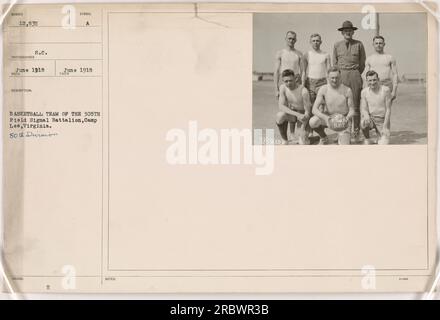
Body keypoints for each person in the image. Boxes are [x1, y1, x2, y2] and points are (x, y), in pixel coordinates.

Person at [332, 21, 366, 142]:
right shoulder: (337, 45)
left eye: (350, 31)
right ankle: (342, 131)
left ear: (353, 32)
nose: (348, 33)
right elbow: (334, 63)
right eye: (345, 31)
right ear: (342, 33)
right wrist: (340, 75)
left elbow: (362, 63)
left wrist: (355, 73)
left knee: (355, 104)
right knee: (342, 105)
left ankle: (356, 132)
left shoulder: (359, 44)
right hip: (342, 75)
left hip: (355, 75)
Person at [309, 67, 355, 145]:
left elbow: (352, 110)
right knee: (313, 122)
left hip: (342, 120)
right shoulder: (323, 89)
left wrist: (346, 118)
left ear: (340, 77)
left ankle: (342, 135)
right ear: (328, 77)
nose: (334, 80)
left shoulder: (347, 90)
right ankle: (323, 137)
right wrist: (326, 118)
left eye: (337, 78)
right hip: (329, 117)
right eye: (332, 78)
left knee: (344, 146)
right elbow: (314, 109)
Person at [274, 31, 304, 140]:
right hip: (285, 82)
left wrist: (303, 85)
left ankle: (294, 133)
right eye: (289, 38)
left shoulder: (299, 54)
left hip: (296, 82)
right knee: (285, 109)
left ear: (296, 40)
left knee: (297, 108)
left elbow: (303, 71)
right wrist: (276, 88)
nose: (291, 40)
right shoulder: (280, 53)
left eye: (293, 39)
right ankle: (286, 136)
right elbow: (276, 71)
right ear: (285, 39)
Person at [276, 69, 312, 145]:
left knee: (303, 143)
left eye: (290, 80)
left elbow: (307, 112)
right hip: (295, 114)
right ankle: (284, 140)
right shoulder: (283, 88)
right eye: (286, 81)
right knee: (280, 116)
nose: (288, 83)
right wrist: (296, 114)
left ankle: (307, 136)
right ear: (283, 81)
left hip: (304, 117)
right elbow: (281, 106)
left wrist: (302, 128)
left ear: (295, 78)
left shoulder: (303, 91)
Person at [360, 70, 392, 144]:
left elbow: (388, 110)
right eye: (370, 80)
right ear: (367, 81)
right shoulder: (364, 92)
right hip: (371, 118)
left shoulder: (385, 90)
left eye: (374, 80)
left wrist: (385, 126)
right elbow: (364, 108)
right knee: (363, 123)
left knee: (383, 144)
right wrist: (366, 116)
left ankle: (380, 136)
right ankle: (367, 139)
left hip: (382, 120)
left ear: (378, 79)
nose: (372, 82)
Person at [365, 35, 398, 101]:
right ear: (373, 45)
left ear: (384, 44)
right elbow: (366, 76)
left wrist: (394, 91)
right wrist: (366, 90)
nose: (378, 45)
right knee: (374, 109)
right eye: (376, 43)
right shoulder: (369, 59)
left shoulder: (389, 57)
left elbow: (395, 75)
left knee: (387, 109)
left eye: (380, 43)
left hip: (387, 85)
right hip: (373, 85)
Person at [303, 33, 331, 104]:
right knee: (310, 104)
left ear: (321, 42)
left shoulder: (326, 54)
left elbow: (329, 71)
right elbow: (303, 71)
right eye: (313, 41)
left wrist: (329, 85)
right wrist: (302, 85)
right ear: (310, 42)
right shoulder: (306, 54)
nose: (315, 42)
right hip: (309, 83)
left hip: (322, 82)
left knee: (321, 105)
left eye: (317, 41)